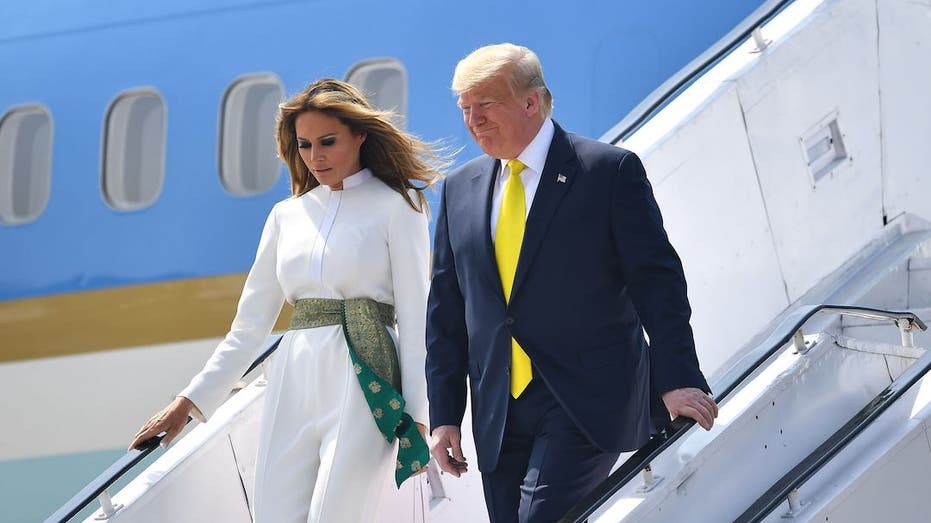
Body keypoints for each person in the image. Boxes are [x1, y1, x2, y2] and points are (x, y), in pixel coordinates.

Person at [425, 43, 719, 522]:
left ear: (531, 101)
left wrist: (678, 377)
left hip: (587, 400)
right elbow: (447, 312)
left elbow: (657, 283)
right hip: (499, 411)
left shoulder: (606, 171)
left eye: (486, 104)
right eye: (465, 108)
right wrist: (444, 415)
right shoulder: (460, 188)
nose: (473, 119)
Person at [130, 78, 446, 522]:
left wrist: (418, 412)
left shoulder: (399, 206)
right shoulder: (287, 215)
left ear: (360, 136)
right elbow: (248, 328)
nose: (316, 157)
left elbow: (415, 319)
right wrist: (189, 401)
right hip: (294, 380)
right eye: (305, 145)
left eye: (328, 142)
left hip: (366, 378)